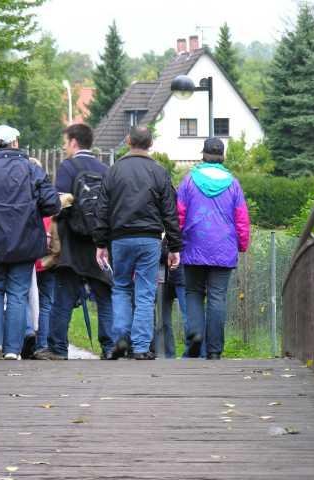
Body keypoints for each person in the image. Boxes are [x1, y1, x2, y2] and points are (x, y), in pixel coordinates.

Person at [0, 125, 61, 360]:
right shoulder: (31, 169)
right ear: (15, 143)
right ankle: (12, 349)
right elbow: (52, 204)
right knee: (18, 294)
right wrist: (33, 211)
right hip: (24, 241)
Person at [94, 126, 182, 360]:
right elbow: (170, 212)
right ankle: (141, 347)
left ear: (128, 141)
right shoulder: (159, 172)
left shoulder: (113, 171)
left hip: (120, 239)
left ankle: (120, 337)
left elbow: (101, 209)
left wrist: (100, 243)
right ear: (150, 144)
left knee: (121, 287)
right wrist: (174, 247)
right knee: (145, 293)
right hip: (149, 239)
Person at [35, 123, 115, 360]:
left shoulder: (68, 167)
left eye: (65, 142)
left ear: (73, 142)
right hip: (99, 244)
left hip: (72, 243)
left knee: (63, 297)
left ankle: (58, 348)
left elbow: (58, 204)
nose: (64, 147)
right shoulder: (105, 169)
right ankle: (110, 347)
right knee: (104, 297)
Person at [177, 137, 250, 360]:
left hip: (193, 246)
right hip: (223, 248)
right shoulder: (233, 184)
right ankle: (215, 350)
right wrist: (242, 243)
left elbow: (179, 214)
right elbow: (241, 218)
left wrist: (174, 242)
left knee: (193, 292)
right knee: (217, 297)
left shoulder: (189, 181)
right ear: (222, 157)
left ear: (203, 155)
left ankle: (196, 336)